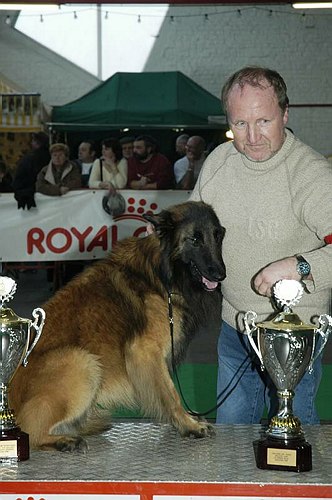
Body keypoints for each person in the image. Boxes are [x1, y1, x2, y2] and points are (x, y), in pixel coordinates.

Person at [190, 66, 332, 425]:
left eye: (264, 121)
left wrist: (297, 266)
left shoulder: (311, 175)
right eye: (240, 124)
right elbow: (193, 228)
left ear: (285, 114)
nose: (251, 137)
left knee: (294, 431)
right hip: (233, 326)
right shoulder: (220, 160)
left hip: (295, 334)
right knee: (230, 437)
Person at [13, 131, 50, 208]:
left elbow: (19, 178)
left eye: (33, 141)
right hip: (48, 196)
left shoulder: (28, 159)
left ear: (37, 143)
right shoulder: (51, 158)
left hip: (28, 193)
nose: (31, 143)